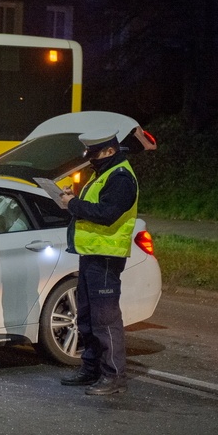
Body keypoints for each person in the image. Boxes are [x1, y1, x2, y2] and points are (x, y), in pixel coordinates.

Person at [59, 128, 139, 396]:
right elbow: (94, 206)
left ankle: (114, 376)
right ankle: (91, 369)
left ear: (109, 151)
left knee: (105, 320)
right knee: (87, 317)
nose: (90, 159)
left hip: (107, 258)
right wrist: (74, 198)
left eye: (94, 154)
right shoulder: (103, 173)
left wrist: (73, 205)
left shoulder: (121, 177)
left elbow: (107, 214)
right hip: (91, 254)